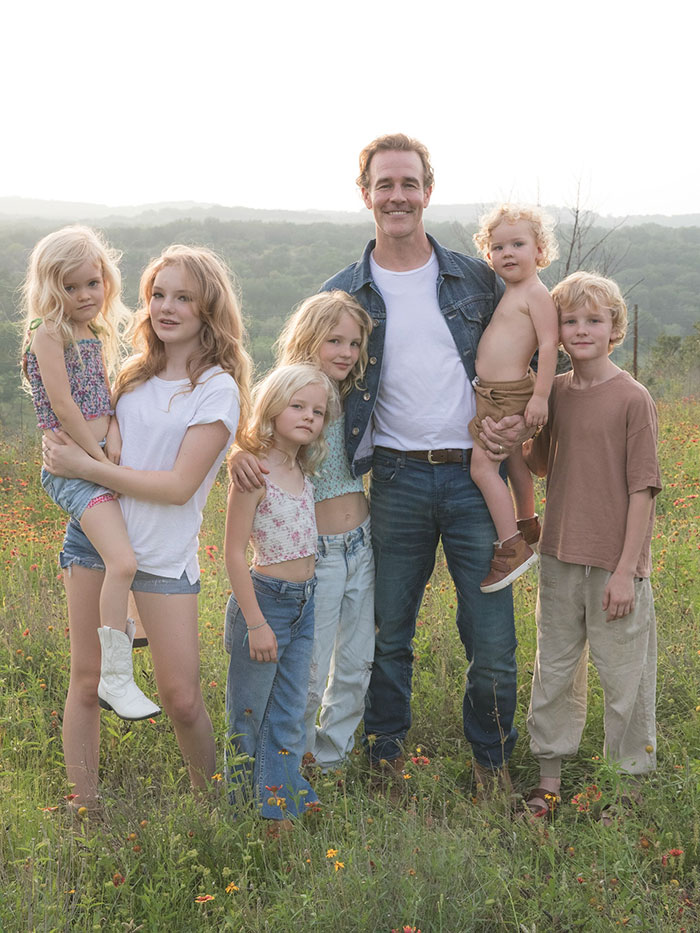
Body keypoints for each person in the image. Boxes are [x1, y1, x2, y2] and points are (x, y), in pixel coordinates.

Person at [321, 133, 529, 794]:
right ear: (366, 196)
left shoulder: (476, 276)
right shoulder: (344, 292)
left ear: (427, 192)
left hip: (478, 477)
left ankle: (490, 764)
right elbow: (304, 384)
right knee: (388, 634)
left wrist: (524, 414)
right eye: (384, 184)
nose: (397, 195)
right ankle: (384, 759)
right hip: (396, 479)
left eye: (408, 183)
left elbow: (530, 350)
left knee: (491, 638)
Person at [42, 245, 251, 811]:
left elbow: (180, 485)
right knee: (87, 682)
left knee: (181, 698)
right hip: (96, 541)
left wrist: (88, 467)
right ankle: (83, 807)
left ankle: (211, 809)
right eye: (158, 295)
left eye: (184, 297)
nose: (167, 307)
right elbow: (85, 425)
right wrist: (62, 447)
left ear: (208, 309)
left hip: (162, 554)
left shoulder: (216, 388)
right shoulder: (131, 374)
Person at [521, 271, 660, 817]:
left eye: (593, 320)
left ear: (614, 328)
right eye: (570, 320)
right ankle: (548, 781)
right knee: (553, 670)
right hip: (559, 555)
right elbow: (539, 461)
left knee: (624, 677)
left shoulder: (632, 397)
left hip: (613, 564)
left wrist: (627, 569)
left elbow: (643, 489)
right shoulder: (553, 391)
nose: (581, 330)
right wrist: (509, 428)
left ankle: (628, 790)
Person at [229, 291, 375, 771]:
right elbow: (248, 431)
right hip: (318, 552)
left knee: (355, 666)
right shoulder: (293, 392)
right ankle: (294, 759)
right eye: (334, 340)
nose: (345, 352)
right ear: (308, 337)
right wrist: (237, 454)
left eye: (354, 344)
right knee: (307, 675)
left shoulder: (355, 394)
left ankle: (328, 762)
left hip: (363, 542)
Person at [21, 225, 159, 721]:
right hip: (74, 467)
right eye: (70, 286)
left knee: (129, 548)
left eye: (92, 283)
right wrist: (100, 463)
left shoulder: (93, 332)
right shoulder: (47, 332)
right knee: (121, 562)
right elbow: (64, 405)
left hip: (97, 457)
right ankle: (115, 679)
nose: (84, 295)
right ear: (49, 287)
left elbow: (102, 400)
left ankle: (131, 627)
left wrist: (114, 439)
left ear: (107, 282)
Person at [223, 363, 338, 825]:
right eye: (298, 406)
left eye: (319, 411)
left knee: (290, 711)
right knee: (248, 715)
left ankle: (278, 806)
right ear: (273, 406)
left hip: (303, 602)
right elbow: (233, 553)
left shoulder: (301, 469)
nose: (310, 417)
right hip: (264, 601)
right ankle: (238, 814)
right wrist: (255, 622)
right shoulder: (254, 471)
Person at [470, 204, 560, 592]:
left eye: (518, 244)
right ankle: (526, 521)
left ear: (539, 251)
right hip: (495, 393)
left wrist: (540, 397)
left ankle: (512, 548)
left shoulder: (537, 294)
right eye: (498, 246)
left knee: (482, 468)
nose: (507, 253)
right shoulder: (514, 291)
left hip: (509, 395)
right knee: (512, 459)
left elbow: (550, 343)